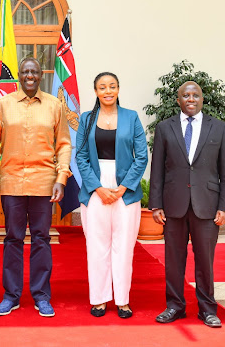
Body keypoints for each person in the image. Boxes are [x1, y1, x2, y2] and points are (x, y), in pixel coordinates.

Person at [0, 57, 72, 318]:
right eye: (25, 72)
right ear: (19, 75)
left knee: (41, 239)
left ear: (41, 74)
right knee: (12, 239)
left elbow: (64, 145)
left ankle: (41, 295)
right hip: (11, 182)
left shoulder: (55, 105)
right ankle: (11, 296)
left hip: (44, 184)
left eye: (34, 71)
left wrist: (61, 178)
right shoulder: (4, 104)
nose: (30, 75)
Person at [148, 80, 225, 328]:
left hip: (207, 206)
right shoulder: (165, 128)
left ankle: (207, 309)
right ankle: (175, 306)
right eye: (185, 95)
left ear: (202, 99)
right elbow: (158, 169)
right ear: (178, 100)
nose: (191, 99)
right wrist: (156, 204)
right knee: (174, 260)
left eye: (195, 95)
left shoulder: (219, 129)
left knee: (205, 260)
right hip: (173, 205)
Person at [75, 72, 148, 319]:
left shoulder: (131, 117)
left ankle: (123, 300)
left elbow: (142, 156)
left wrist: (124, 187)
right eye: (102, 87)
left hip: (125, 190)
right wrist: (97, 187)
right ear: (95, 91)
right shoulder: (86, 119)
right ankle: (99, 299)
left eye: (112, 86)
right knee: (97, 246)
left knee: (124, 246)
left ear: (118, 89)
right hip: (95, 188)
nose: (108, 91)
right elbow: (81, 157)